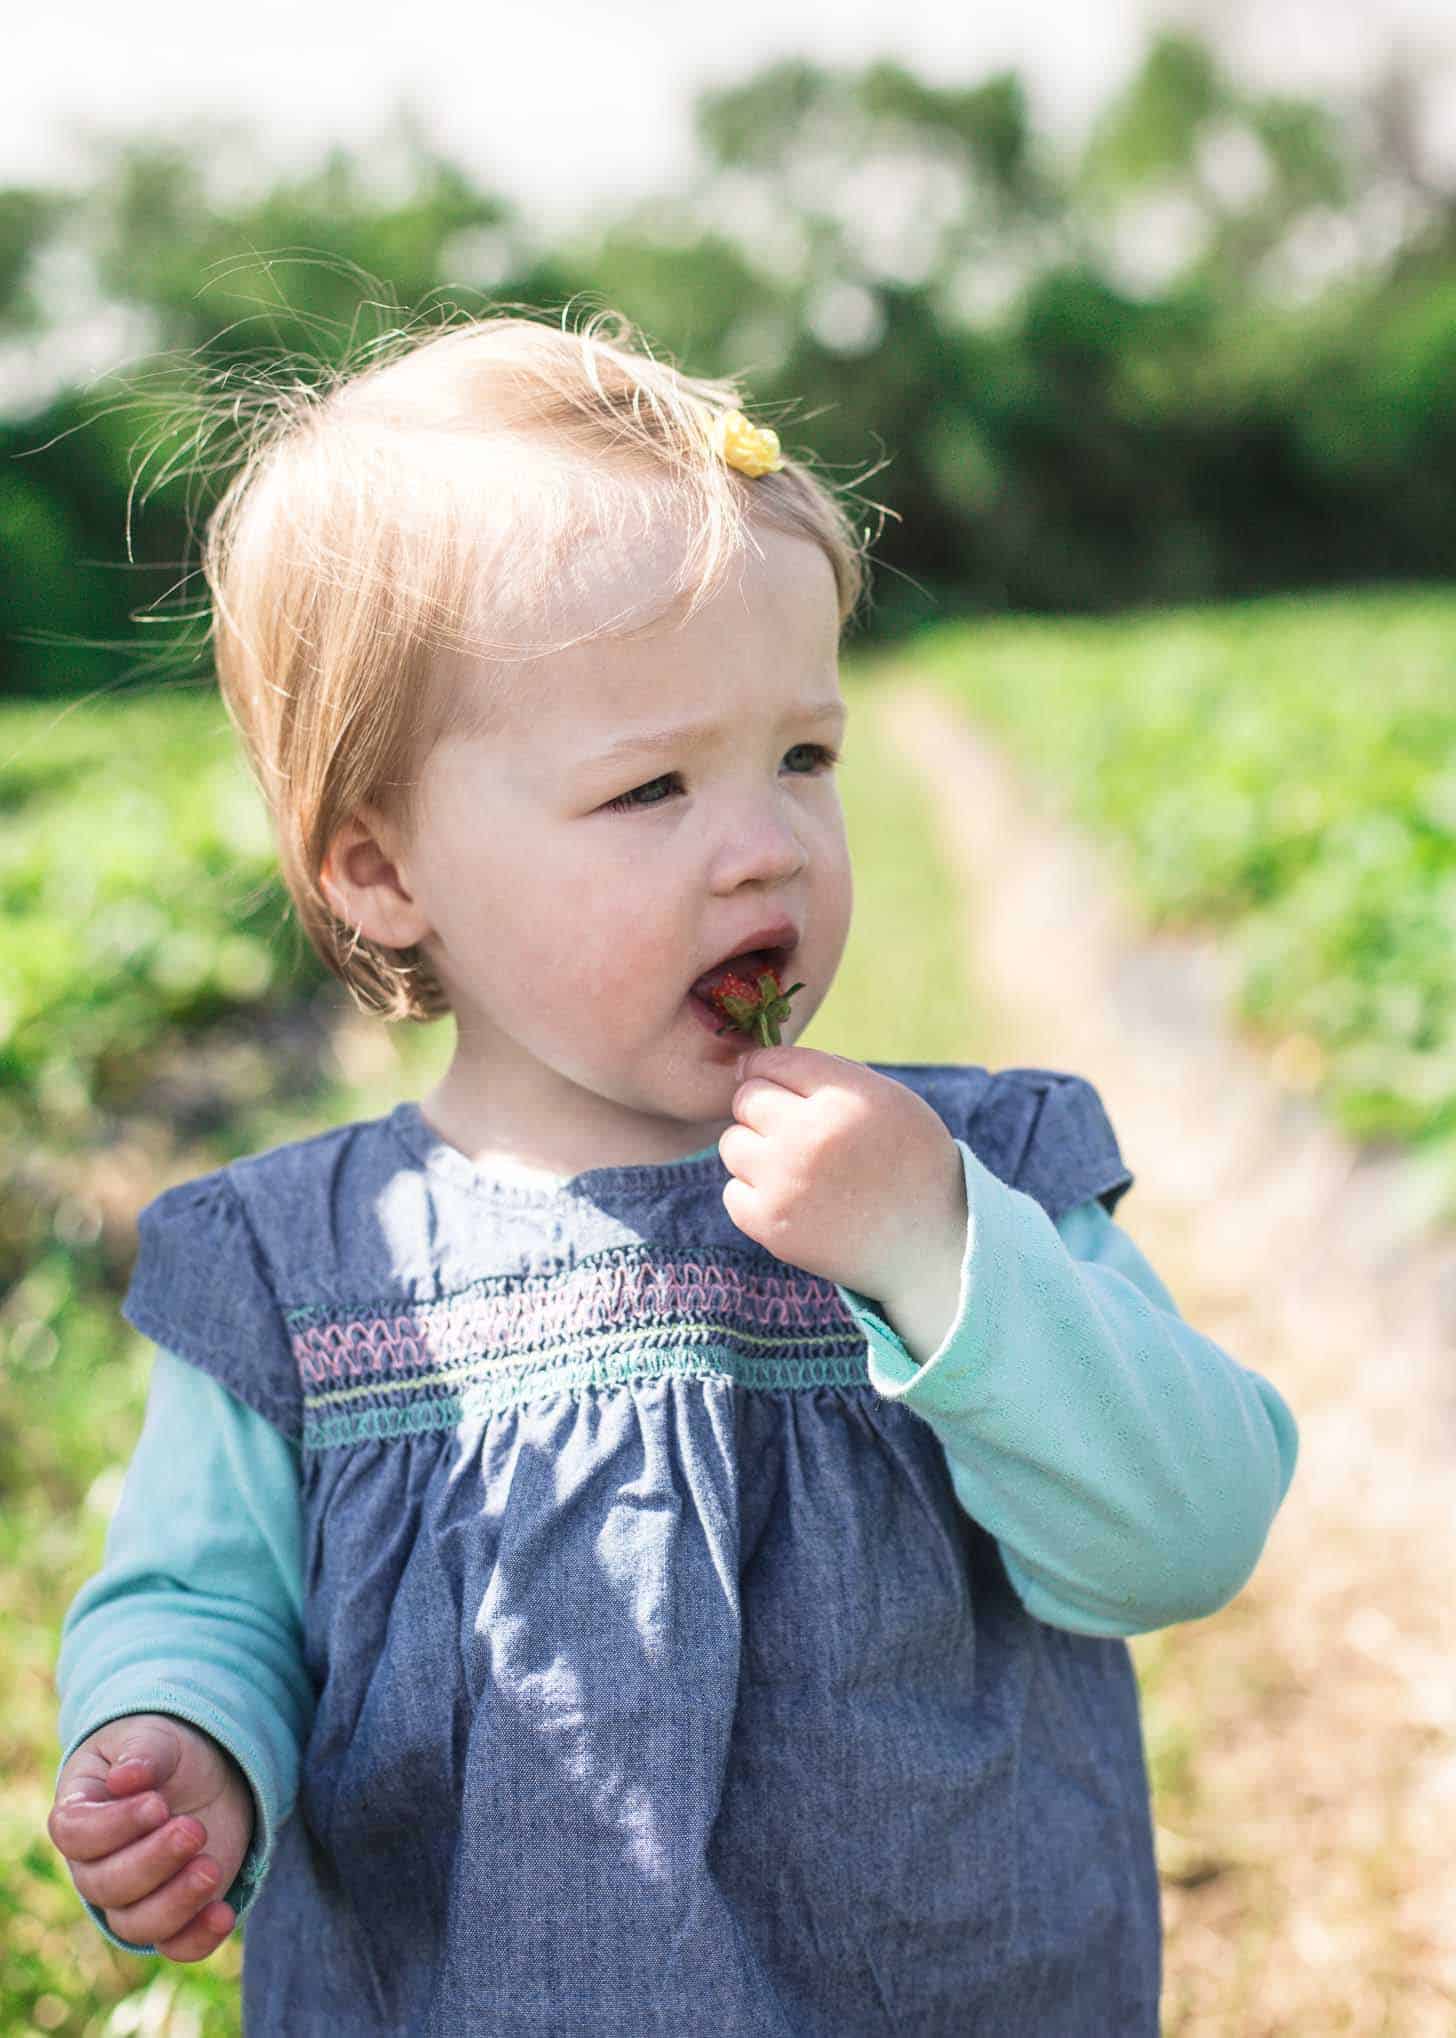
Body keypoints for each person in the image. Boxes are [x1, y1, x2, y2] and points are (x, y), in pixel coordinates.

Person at [49, 306, 1298, 2036]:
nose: (767, 844)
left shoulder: (975, 1177)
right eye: (649, 787)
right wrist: (180, 1740)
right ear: (379, 868)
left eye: (804, 754)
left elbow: (1191, 1530)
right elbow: (197, 1593)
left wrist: (936, 1249)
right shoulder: (303, 1274)